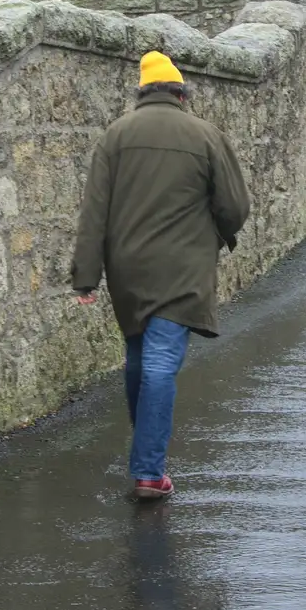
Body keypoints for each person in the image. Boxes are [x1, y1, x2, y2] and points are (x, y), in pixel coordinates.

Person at [72, 51, 250, 500]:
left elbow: (95, 211)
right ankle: (149, 471)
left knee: (139, 354)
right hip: (183, 269)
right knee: (159, 364)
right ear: (180, 94)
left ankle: (145, 455)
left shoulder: (115, 136)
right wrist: (218, 232)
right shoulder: (205, 134)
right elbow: (234, 206)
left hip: (127, 269)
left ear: (142, 93)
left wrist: (86, 276)